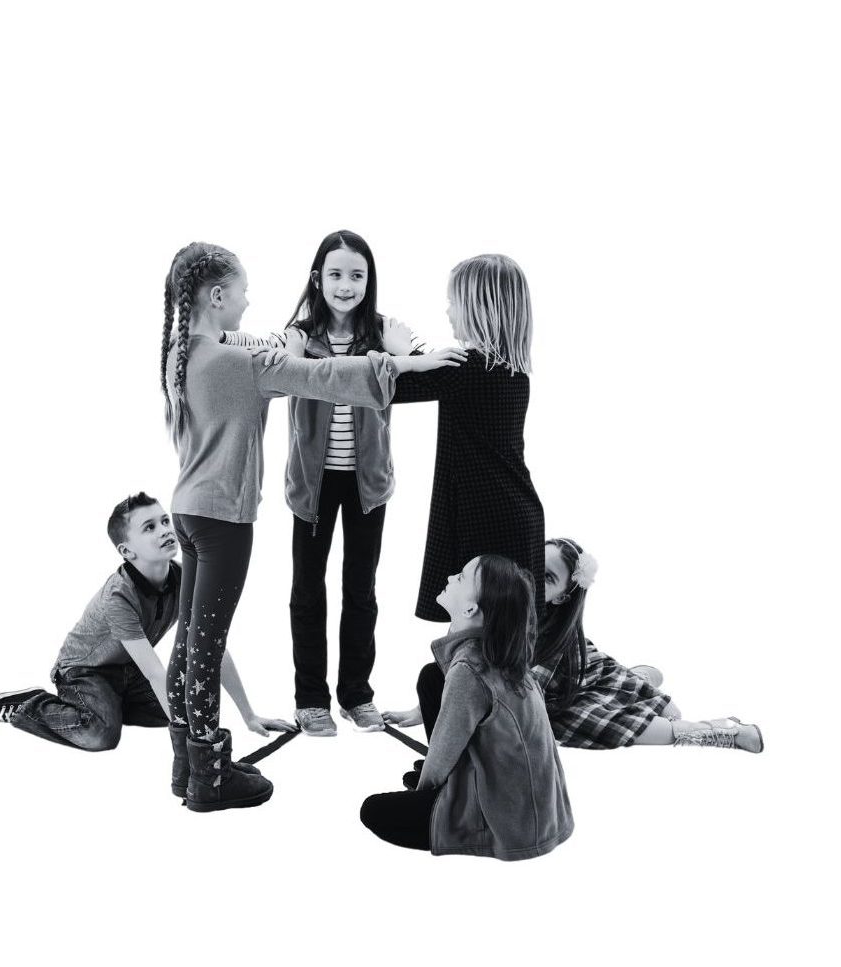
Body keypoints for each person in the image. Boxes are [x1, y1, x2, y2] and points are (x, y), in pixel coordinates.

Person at [160, 242, 464, 812]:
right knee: (205, 646)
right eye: (243, 290)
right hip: (224, 517)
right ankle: (210, 773)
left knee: (190, 643)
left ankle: (186, 766)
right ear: (217, 295)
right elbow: (324, 375)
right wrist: (408, 363)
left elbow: (297, 361)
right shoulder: (241, 361)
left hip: (189, 509)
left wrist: (396, 348)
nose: (249, 300)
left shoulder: (184, 350)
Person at [224, 230, 427, 738]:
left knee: (361, 590)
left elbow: (429, 362)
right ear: (319, 279)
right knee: (307, 591)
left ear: (368, 281)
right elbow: (257, 349)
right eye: (335, 274)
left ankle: (356, 695)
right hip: (311, 488)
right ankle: (311, 698)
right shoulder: (301, 334)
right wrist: (216, 335)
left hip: (367, 484)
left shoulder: (382, 333)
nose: (346, 284)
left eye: (357, 275)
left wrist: (407, 348)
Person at [0, 494, 292, 775]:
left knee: (190, 704)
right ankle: (27, 705)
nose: (166, 529)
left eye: (165, 520)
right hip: (86, 672)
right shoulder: (119, 597)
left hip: (131, 672)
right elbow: (156, 672)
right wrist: (198, 751)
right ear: (127, 551)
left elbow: (210, 650)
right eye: (149, 527)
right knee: (101, 735)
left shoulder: (181, 577)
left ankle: (110, 706)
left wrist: (249, 715)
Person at [385, 538, 764, 753]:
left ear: (564, 595)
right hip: (550, 689)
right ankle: (639, 677)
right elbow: (465, 677)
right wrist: (419, 711)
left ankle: (723, 732)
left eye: (547, 578)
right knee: (596, 703)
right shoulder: (499, 604)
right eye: (531, 566)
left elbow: (504, 688)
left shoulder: (551, 633)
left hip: (560, 685)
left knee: (638, 725)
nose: (533, 580)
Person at [360, 555, 574, 860]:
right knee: (432, 677)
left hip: (511, 826)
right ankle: (449, 788)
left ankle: (447, 798)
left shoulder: (469, 669)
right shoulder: (506, 655)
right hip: (545, 814)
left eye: (460, 577)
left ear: (470, 609)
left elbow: (443, 751)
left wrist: (427, 794)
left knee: (372, 810)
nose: (449, 578)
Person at [385, 254, 546, 621]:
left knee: (477, 634)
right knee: (500, 638)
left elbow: (397, 386)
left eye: (453, 302)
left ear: (477, 308)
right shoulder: (508, 371)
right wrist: (413, 353)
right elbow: (442, 370)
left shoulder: (470, 370)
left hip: (490, 521)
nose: (447, 312)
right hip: (513, 514)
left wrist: (400, 351)